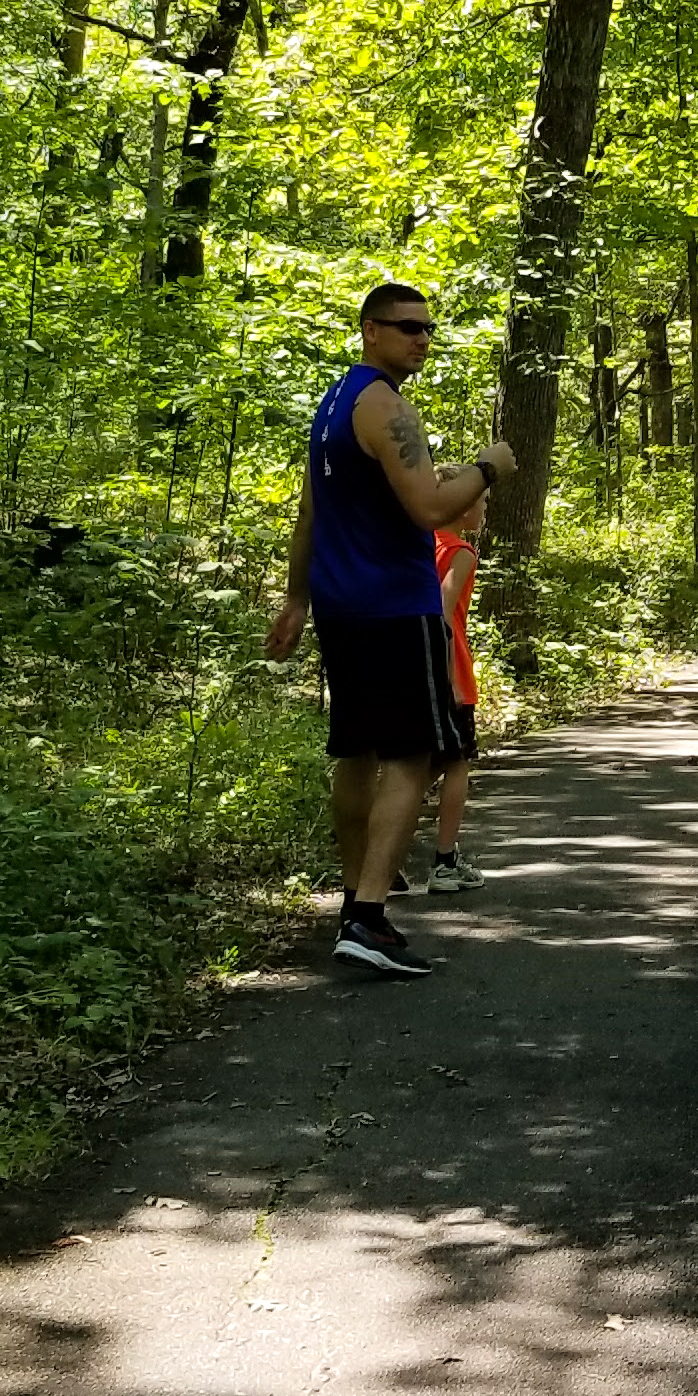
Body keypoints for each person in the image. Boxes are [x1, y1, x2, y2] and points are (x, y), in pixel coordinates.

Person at [265, 282, 513, 977]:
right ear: (371, 330)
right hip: (396, 608)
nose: (420, 340)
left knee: (357, 752)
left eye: (427, 329)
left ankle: (355, 901)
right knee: (412, 756)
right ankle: (368, 915)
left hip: (343, 607)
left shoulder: (332, 406)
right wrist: (490, 467)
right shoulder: (384, 405)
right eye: (407, 327)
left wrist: (297, 598)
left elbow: (311, 513)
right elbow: (433, 508)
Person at [418, 485, 484, 890]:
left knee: (417, 768)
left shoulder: (418, 545)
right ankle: (444, 861)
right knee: (457, 763)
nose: (483, 508)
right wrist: (451, 676)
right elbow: (443, 608)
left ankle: (384, 863)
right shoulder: (460, 551)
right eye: (480, 501)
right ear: (461, 509)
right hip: (448, 664)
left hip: (413, 664)